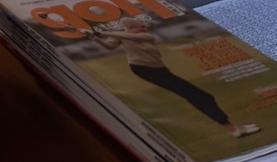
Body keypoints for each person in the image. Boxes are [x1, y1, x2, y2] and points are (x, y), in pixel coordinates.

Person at [92, 17, 260, 139]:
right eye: (139, 26)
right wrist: (95, 37)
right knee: (200, 96)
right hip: (144, 69)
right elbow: (109, 46)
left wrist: (103, 32)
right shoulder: (122, 35)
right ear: (131, 27)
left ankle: (234, 128)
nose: (144, 28)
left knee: (198, 95)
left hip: (160, 70)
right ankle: (233, 129)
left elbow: (131, 37)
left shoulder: (143, 36)